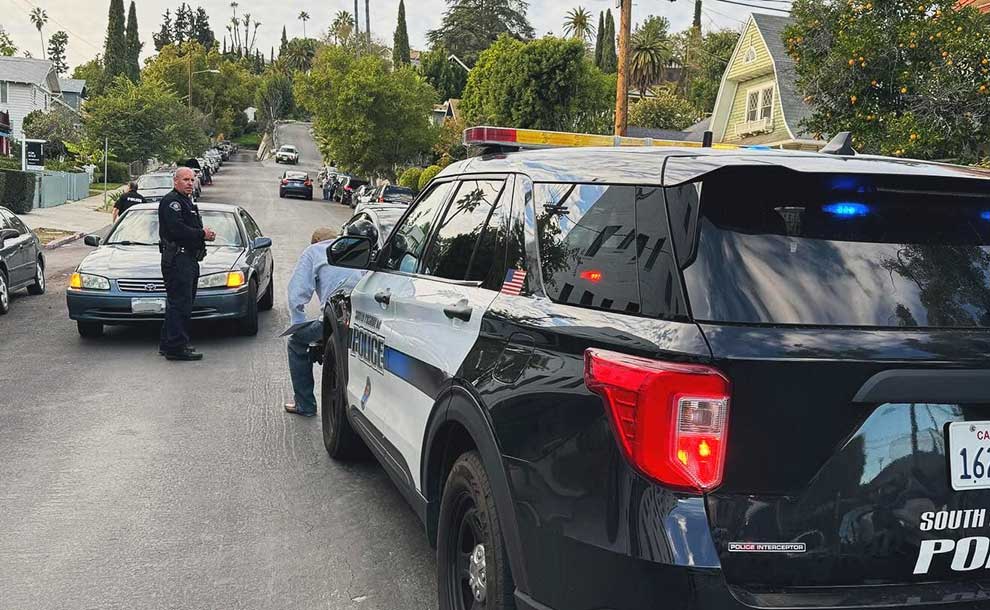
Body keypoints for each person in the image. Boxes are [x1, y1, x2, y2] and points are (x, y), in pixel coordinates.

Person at [283, 226, 367, 416]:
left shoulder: (314, 251)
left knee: (296, 343)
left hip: (333, 321)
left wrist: (298, 322)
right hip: (361, 321)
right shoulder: (355, 250)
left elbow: (296, 293)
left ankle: (305, 405)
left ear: (315, 242)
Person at [158, 167, 216, 361]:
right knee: (180, 304)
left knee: (179, 303)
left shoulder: (186, 201)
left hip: (188, 258)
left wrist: (203, 236)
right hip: (178, 259)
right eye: (185, 180)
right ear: (175, 181)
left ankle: (168, 343)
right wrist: (202, 234)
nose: (190, 183)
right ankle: (176, 347)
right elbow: (177, 230)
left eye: (192, 180)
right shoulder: (172, 202)